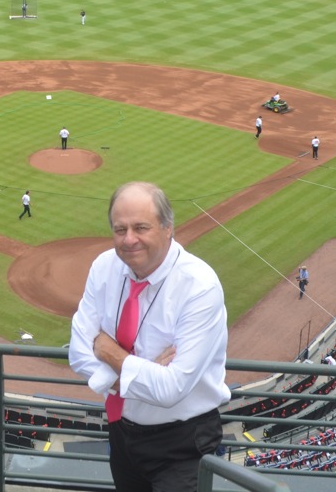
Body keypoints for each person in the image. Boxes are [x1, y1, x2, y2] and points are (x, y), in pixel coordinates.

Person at [69, 182, 228, 492]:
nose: (129, 239)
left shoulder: (200, 286)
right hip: (121, 433)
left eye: (141, 227)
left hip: (183, 444)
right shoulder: (104, 267)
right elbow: (78, 353)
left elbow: (170, 389)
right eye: (120, 229)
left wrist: (110, 353)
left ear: (168, 228)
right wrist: (141, 372)